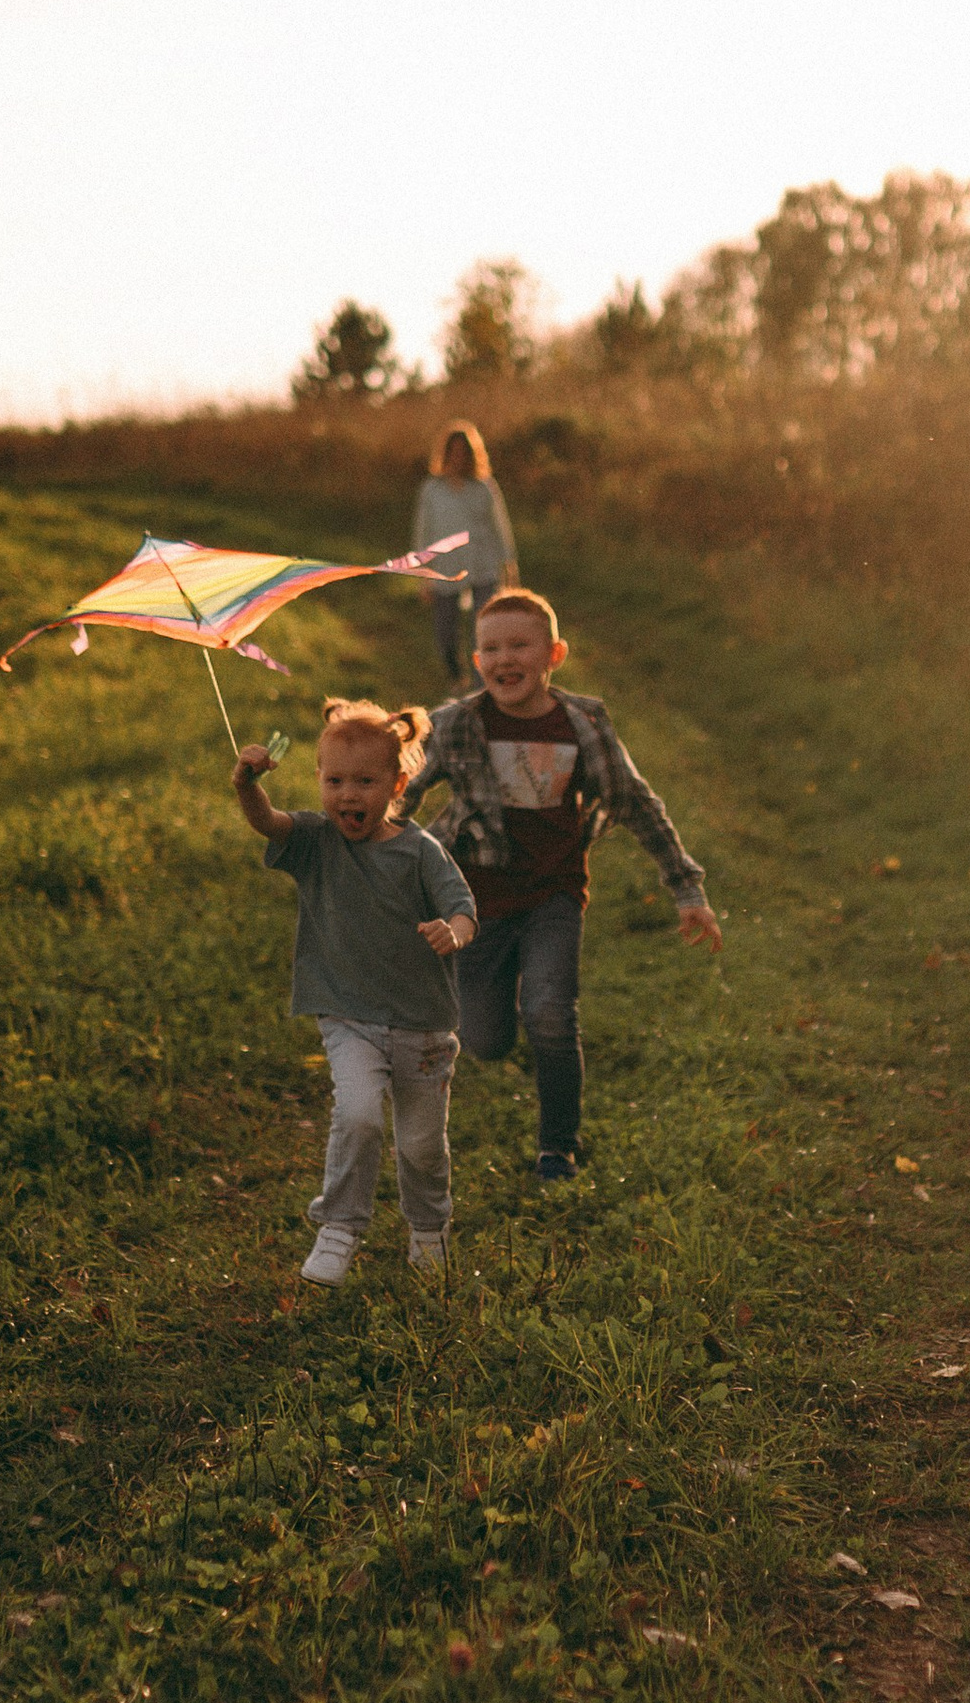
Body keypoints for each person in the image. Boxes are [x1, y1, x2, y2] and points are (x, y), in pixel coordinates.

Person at [404, 588, 722, 1186]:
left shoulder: (582, 726)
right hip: (475, 905)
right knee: (485, 1041)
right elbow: (404, 794)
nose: (505, 659)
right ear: (477, 663)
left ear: (554, 654)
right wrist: (372, 850)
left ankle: (558, 1147)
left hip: (554, 896)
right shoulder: (454, 726)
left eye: (520, 645)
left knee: (551, 1015)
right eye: (491, 648)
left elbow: (636, 803)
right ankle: (493, 1025)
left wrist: (687, 891)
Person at [233, 699, 476, 1286]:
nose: (348, 795)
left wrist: (454, 932)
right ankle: (339, 1228)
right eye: (334, 780)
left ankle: (428, 1231)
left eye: (365, 782)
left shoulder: (420, 851)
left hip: (421, 1025)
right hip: (348, 1017)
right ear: (317, 779)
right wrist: (246, 784)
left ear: (397, 783)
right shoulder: (316, 840)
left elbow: (463, 908)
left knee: (421, 1147)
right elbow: (268, 823)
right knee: (359, 1116)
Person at [413, 423, 518, 679]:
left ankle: (478, 686)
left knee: (482, 631)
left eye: (464, 452)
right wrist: (422, 576)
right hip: (444, 569)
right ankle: (455, 676)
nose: (459, 458)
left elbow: (500, 527)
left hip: (483, 566)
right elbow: (422, 532)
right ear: (446, 454)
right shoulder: (432, 490)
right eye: (454, 452)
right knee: (445, 634)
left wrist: (510, 565)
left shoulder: (484, 487)